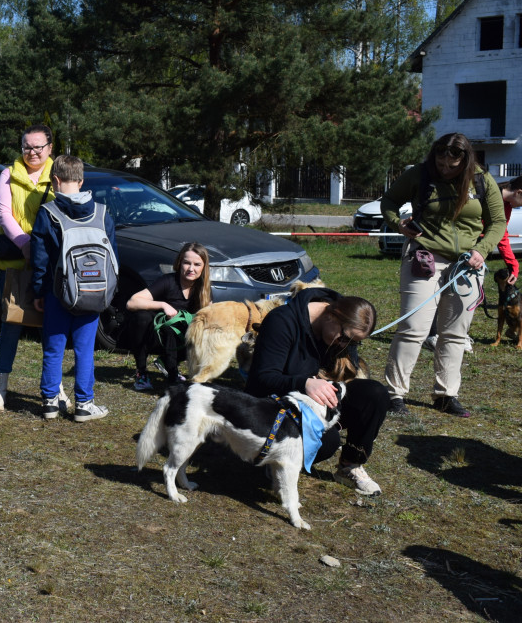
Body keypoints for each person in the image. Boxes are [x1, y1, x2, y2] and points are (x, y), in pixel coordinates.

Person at [381, 133, 506, 418]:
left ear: (466, 160)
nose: (446, 168)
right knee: (414, 328)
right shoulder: (418, 175)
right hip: (424, 259)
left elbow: (498, 221)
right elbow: (388, 200)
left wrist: (483, 250)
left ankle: (446, 395)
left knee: (455, 334)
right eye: (440, 161)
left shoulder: (482, 180)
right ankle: (395, 394)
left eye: (453, 164)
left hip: (467, 265)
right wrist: (398, 223)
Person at [245, 288, 388, 495]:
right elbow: (262, 379)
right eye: (345, 338)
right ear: (331, 315)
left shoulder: (341, 330)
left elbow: (346, 370)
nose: (345, 345)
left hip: (314, 401)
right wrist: (305, 383)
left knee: (375, 393)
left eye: (354, 343)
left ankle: (350, 465)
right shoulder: (282, 321)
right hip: (276, 405)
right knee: (326, 442)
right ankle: (277, 459)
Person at [30, 155, 118, 422]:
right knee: (84, 349)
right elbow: (114, 257)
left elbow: (40, 259)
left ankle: (50, 403)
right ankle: (84, 403)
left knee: (54, 348)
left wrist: (38, 292)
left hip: (58, 293)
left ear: (55, 180)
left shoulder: (48, 213)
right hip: (93, 292)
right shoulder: (102, 213)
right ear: (81, 180)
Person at [0, 124, 56, 411]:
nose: (32, 152)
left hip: (50, 264)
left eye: (38, 147)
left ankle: (55, 390)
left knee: (53, 329)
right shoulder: (8, 174)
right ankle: (0, 389)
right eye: (27, 146)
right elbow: (4, 215)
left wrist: (41, 252)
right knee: (11, 324)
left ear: (50, 148)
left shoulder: (58, 174)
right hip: (14, 263)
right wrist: (27, 246)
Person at [420, 174, 522, 352]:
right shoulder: (485, 194)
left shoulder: (506, 206)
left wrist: (513, 263)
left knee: (469, 294)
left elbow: (501, 234)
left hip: (475, 254)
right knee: (440, 291)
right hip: (450, 248)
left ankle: (459, 334)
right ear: (519, 192)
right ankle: (432, 334)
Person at [124, 242, 211, 390]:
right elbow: (132, 302)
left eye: (197, 264)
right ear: (179, 263)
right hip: (157, 336)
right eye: (186, 263)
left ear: (204, 267)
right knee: (141, 318)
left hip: (180, 339)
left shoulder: (203, 288)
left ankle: (168, 363)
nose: (191, 269)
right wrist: (163, 305)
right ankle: (141, 372)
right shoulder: (169, 281)